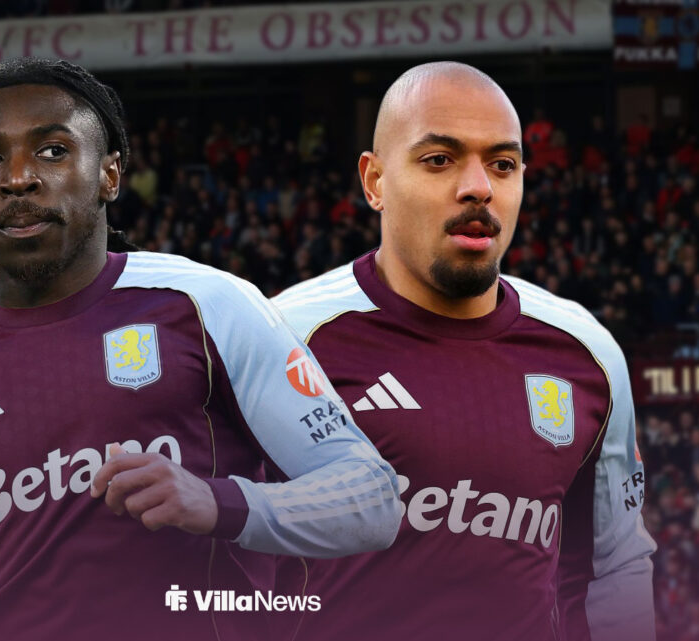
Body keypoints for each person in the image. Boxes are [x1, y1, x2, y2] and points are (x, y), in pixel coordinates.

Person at [0, 58, 402, 641]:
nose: (17, 178)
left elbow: (370, 499)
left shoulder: (208, 306)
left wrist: (220, 502)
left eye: (52, 150)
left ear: (110, 175)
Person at [273, 62, 655, 641]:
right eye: (439, 159)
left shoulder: (588, 354)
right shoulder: (282, 339)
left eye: (503, 165)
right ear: (374, 182)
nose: (479, 186)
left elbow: (615, 567)